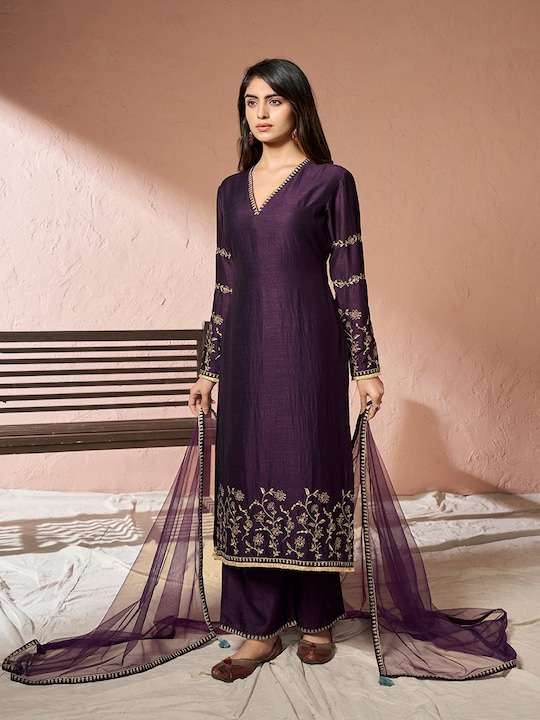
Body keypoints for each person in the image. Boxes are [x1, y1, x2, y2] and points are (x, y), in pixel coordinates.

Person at [189, 57, 384, 682]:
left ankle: (318, 619)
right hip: (247, 353)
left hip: (308, 349)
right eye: (251, 102)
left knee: (307, 468)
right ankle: (257, 629)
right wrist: (209, 369)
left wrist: (365, 365)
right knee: (248, 472)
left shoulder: (331, 181)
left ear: (299, 106)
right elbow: (225, 284)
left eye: (274, 100)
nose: (262, 112)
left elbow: (349, 277)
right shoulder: (229, 190)